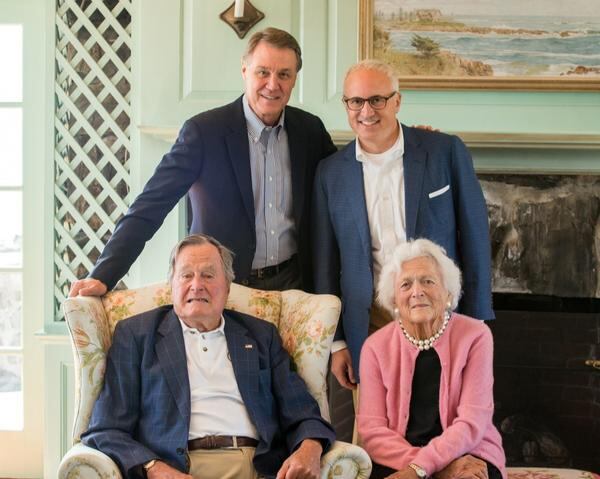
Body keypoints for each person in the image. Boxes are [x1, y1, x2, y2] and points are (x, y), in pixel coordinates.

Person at [69, 27, 336, 298]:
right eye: (263, 72)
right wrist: (103, 275)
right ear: (244, 71)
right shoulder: (204, 132)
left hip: (294, 287)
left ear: (294, 79)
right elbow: (149, 207)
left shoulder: (310, 131)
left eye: (284, 75)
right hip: (222, 289)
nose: (272, 84)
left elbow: (341, 189)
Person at [81, 233, 335, 479]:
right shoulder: (136, 335)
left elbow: (303, 412)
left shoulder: (261, 336)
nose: (196, 284)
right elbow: (106, 428)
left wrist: (309, 449)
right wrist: (154, 468)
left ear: (227, 287)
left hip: (256, 466)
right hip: (178, 467)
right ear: (172, 286)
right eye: (186, 275)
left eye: (208, 275)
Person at [312, 59, 494, 389]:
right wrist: (336, 342)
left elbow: (475, 236)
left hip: (440, 312)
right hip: (367, 321)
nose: (366, 111)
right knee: (376, 425)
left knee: (441, 416)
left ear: (397, 101)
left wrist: (476, 322)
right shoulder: (330, 173)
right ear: (346, 105)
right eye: (356, 101)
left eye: (377, 100)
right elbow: (326, 262)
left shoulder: (444, 151)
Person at [357, 238, 506, 479]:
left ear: (448, 293)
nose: (417, 291)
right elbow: (372, 431)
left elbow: (471, 422)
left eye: (428, 281)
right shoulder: (374, 348)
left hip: (468, 453)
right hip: (398, 458)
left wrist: (423, 468)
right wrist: (430, 468)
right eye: (405, 284)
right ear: (394, 300)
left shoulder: (476, 336)